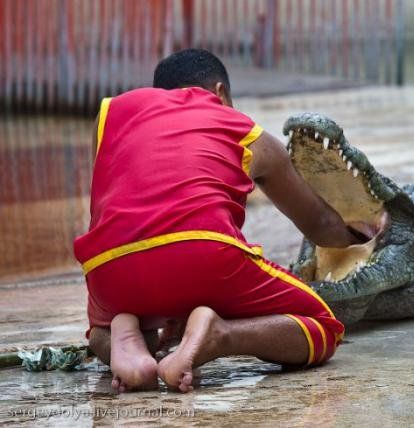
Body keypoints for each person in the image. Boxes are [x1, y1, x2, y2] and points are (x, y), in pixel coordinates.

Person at [74, 49, 366, 393]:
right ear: (220, 93)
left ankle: (127, 344)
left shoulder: (111, 113)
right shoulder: (244, 130)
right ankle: (219, 335)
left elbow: (118, 205)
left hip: (109, 269)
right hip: (204, 254)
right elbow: (319, 225)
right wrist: (361, 232)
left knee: (99, 331)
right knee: (324, 327)